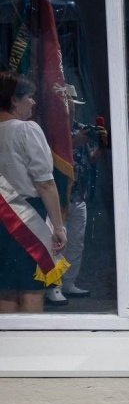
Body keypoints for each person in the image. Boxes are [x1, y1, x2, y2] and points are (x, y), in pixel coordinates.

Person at [0, 72, 68, 313]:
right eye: (30, 97)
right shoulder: (26, 129)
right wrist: (58, 227)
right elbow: (45, 183)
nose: (34, 102)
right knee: (31, 289)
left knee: (5, 289)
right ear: (13, 100)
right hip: (27, 218)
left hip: (3, 217)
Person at [45, 85, 108, 305]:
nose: (71, 110)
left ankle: (69, 281)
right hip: (58, 196)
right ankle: (53, 286)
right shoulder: (51, 131)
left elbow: (90, 159)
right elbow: (50, 161)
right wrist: (74, 143)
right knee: (54, 242)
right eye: (67, 105)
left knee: (76, 243)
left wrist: (100, 146)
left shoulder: (82, 128)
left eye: (72, 106)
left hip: (79, 194)